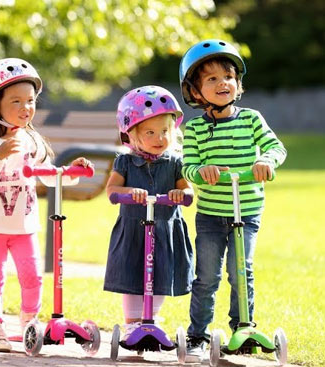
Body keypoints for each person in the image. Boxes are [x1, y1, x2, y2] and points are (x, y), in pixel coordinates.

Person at [0, 58, 92, 352]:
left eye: (30, 100)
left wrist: (70, 172)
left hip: (24, 226)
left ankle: (28, 322)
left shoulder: (32, 140)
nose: (26, 107)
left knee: (32, 276)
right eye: (16, 101)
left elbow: (49, 178)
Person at [179, 39, 287, 359]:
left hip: (248, 211)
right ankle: (197, 334)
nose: (222, 83)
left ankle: (244, 327)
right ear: (196, 92)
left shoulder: (252, 119)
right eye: (211, 79)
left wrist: (266, 162)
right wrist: (202, 171)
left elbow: (275, 147)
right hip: (212, 214)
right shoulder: (196, 130)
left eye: (227, 76)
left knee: (243, 271)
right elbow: (188, 166)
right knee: (208, 276)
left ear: (238, 84)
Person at [103, 85, 194, 341]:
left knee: (162, 274)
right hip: (134, 229)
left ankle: (151, 317)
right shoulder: (126, 161)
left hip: (165, 228)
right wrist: (130, 191)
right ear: (132, 135)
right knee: (133, 274)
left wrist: (180, 194)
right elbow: (112, 191)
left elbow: (188, 192)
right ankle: (133, 323)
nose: (159, 138)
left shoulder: (176, 163)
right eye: (151, 132)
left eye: (164, 131)